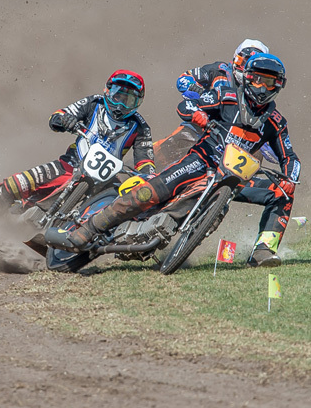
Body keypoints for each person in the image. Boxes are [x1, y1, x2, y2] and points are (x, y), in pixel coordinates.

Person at [47, 53, 300, 268]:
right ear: (247, 77)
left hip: (233, 178)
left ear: (278, 86)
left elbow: (289, 156)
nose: (262, 87)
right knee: (147, 194)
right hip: (200, 161)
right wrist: (198, 115)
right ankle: (87, 230)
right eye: (258, 79)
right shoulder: (225, 96)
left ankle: (264, 250)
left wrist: (291, 176)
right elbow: (186, 105)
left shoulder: (276, 122)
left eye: (269, 82)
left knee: (283, 193)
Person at [0, 70, 156, 209]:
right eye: (117, 96)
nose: (120, 105)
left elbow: (145, 162)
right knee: (16, 184)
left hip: (104, 182)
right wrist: (65, 120)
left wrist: (146, 176)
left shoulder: (140, 127)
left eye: (128, 100)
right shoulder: (93, 103)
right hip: (69, 165)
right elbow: (57, 116)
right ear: (107, 91)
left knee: (112, 211)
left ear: (138, 102)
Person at [153, 39, 274, 168]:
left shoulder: (263, 93)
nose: (245, 68)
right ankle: (137, 169)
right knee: (161, 151)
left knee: (256, 153)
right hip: (200, 127)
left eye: (252, 66)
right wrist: (199, 92)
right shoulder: (219, 71)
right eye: (243, 62)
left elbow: (275, 148)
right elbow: (184, 78)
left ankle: (239, 186)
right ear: (235, 59)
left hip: (235, 142)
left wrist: (265, 140)